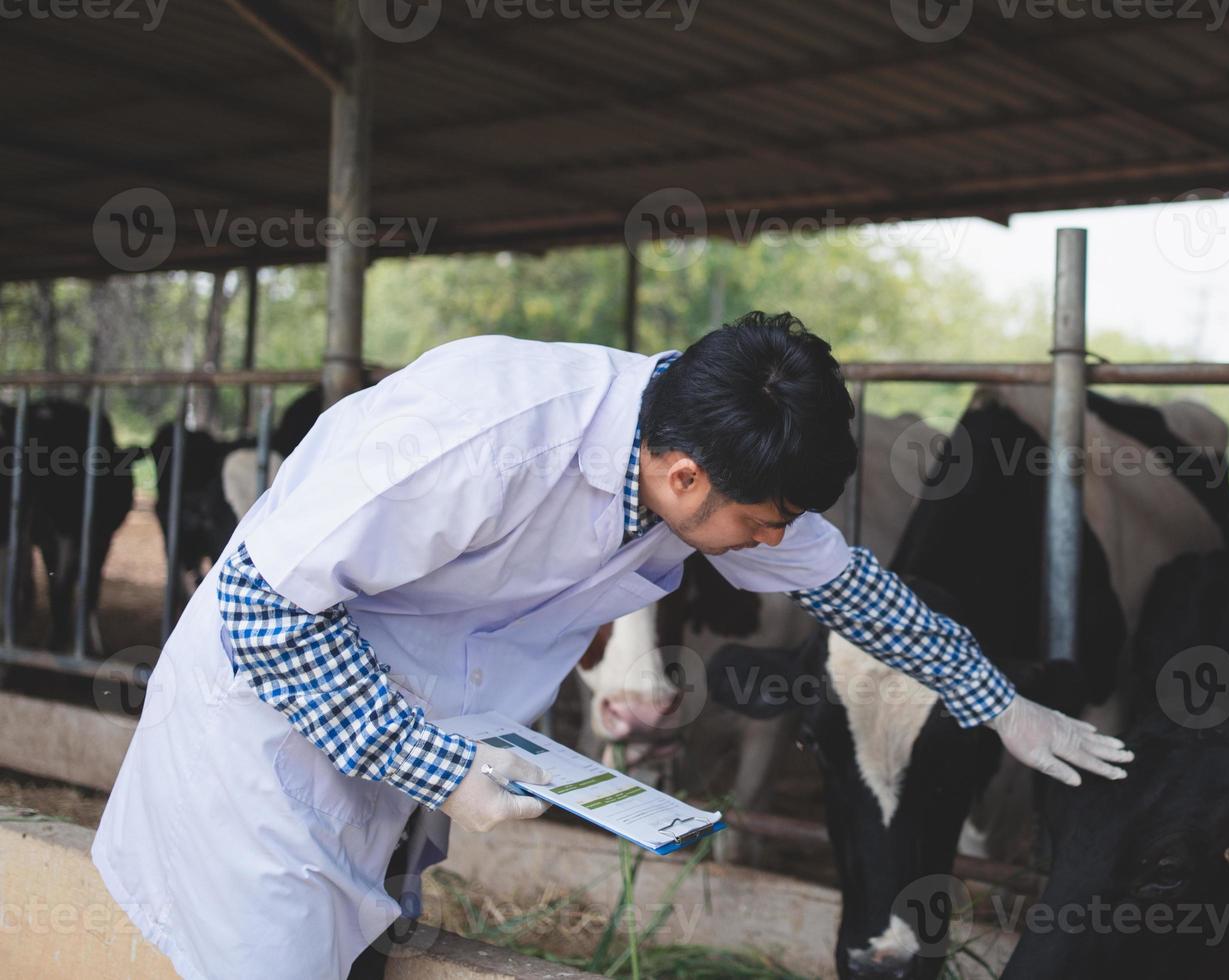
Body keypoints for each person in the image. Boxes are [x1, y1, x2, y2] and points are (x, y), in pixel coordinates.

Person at [92, 311, 1131, 979]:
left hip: (389, 756)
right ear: (685, 480)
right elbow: (259, 610)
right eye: (759, 524)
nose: (769, 546)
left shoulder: (696, 453)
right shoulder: (484, 431)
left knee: (361, 949)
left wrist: (995, 700)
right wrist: (437, 765)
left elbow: (847, 583)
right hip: (264, 754)